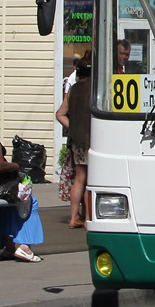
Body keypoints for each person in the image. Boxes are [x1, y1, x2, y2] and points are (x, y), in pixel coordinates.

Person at [0, 100, 43, 262]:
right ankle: (24, 246)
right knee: (28, 199)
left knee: (7, 205)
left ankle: (9, 247)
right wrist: (16, 166)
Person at [56, 63, 91, 229]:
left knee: (79, 179)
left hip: (76, 139)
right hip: (92, 138)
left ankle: (73, 217)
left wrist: (73, 125)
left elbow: (60, 114)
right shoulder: (96, 89)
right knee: (90, 181)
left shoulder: (73, 90)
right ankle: (88, 218)